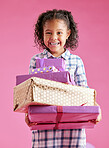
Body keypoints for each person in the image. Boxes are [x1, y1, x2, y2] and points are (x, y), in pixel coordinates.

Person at [25, 9, 101, 148]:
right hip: (45, 126)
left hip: (72, 125)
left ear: (68, 34)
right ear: (42, 34)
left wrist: (95, 109)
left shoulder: (76, 61)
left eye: (59, 32)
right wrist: (28, 114)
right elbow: (31, 93)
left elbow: (85, 90)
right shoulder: (36, 60)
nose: (53, 37)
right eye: (48, 32)